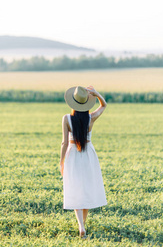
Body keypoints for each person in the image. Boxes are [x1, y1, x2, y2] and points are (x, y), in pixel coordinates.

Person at [60, 85, 107, 238]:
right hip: (88, 155)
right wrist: (96, 93)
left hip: (73, 154)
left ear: (73, 102)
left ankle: (81, 226)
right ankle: (83, 225)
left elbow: (64, 143)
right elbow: (104, 105)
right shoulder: (91, 117)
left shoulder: (66, 118)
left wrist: (61, 161)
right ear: (86, 103)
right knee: (86, 189)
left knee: (76, 189)